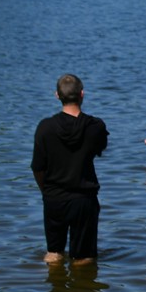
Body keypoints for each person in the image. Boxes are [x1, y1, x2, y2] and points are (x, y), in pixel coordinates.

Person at [32, 73, 110, 266]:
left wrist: (46, 191)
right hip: (84, 198)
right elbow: (99, 149)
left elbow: (37, 168)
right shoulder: (96, 126)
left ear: (57, 96)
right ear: (82, 94)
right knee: (84, 258)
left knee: (53, 254)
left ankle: (55, 291)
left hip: (54, 198)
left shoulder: (45, 127)